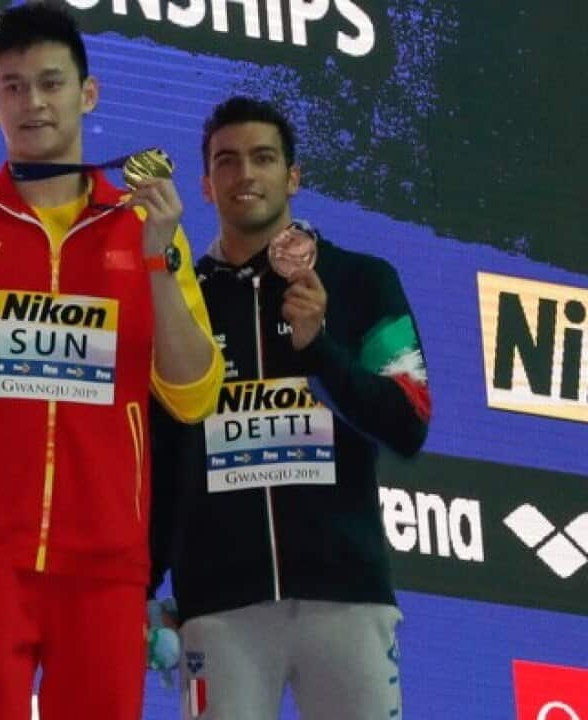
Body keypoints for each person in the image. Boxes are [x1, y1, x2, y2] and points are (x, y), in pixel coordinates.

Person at [0, 3, 224, 718]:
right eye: (13, 86)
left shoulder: (143, 230)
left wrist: (155, 257)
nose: (33, 102)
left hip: (108, 575)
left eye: (51, 82)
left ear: (88, 94)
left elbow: (193, 393)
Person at [149, 96, 432, 719]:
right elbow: (161, 461)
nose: (245, 174)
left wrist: (322, 351)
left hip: (347, 599)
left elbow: (409, 421)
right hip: (219, 612)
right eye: (227, 161)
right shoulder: (180, 304)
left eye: (263, 158)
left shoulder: (361, 280)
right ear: (205, 184)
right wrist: (146, 588)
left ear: (293, 176)